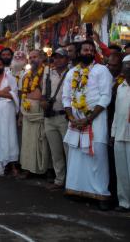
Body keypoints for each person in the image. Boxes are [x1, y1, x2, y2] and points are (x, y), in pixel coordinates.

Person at [62, 40, 112, 210]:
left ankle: (101, 194)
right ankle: (77, 190)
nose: (88, 52)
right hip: (76, 120)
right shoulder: (72, 73)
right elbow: (66, 97)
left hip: (95, 119)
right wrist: (70, 116)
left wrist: (89, 118)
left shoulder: (101, 70)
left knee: (97, 154)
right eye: (85, 49)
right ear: (78, 52)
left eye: (91, 50)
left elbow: (105, 96)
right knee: (77, 155)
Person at [18, 50, 49, 178]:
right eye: (30, 57)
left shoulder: (47, 73)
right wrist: (20, 115)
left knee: (43, 141)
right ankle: (27, 168)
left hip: (41, 111)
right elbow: (21, 95)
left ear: (42, 58)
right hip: (27, 111)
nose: (32, 59)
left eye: (35, 57)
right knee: (27, 141)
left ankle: (45, 169)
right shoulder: (26, 75)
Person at [41, 48, 69, 190]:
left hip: (65, 117)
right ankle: (59, 179)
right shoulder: (48, 74)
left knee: (69, 151)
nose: (57, 60)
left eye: (61, 57)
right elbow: (43, 94)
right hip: (50, 116)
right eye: (55, 58)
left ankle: (72, 182)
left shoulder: (71, 73)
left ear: (67, 59)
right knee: (55, 151)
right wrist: (43, 103)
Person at [112, 55, 130, 212]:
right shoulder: (120, 87)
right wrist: (113, 133)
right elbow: (117, 113)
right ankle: (124, 202)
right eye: (125, 65)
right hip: (119, 135)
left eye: (129, 65)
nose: (127, 68)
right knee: (122, 171)